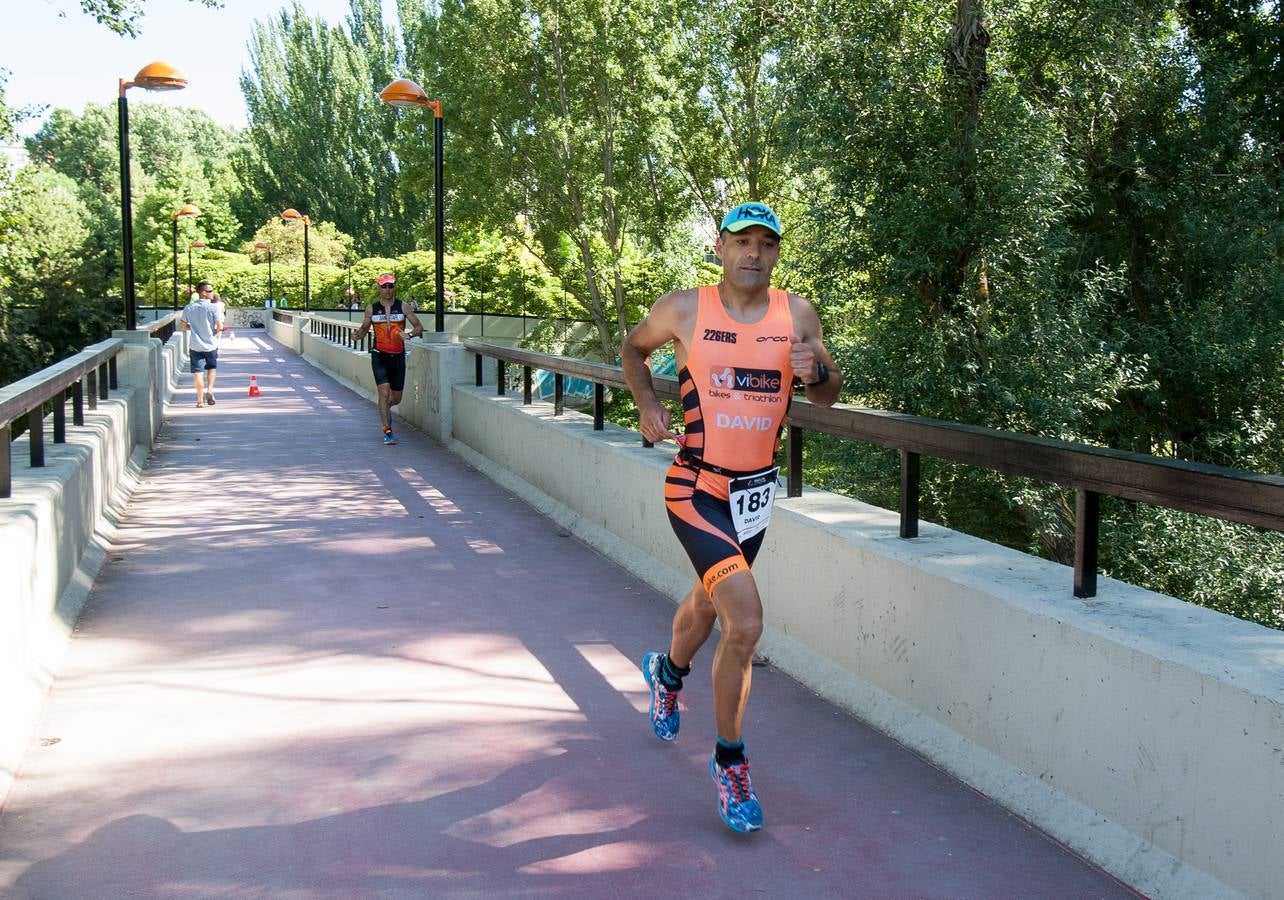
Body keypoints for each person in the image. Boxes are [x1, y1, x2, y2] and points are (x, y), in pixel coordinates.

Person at [619, 202, 842, 833]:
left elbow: (827, 392)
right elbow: (633, 351)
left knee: (713, 602)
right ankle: (729, 763)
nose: (753, 253)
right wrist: (645, 404)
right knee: (745, 622)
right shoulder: (685, 309)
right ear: (719, 247)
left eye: (765, 244)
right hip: (694, 487)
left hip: (754, 495)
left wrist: (817, 368)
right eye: (741, 241)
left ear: (776, 253)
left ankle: (667, 671)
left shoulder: (796, 314)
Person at [353, 273, 423, 445]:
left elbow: (419, 327)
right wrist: (357, 336)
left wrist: (410, 334)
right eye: (384, 286)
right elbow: (363, 330)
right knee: (384, 393)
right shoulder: (371, 309)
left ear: (395, 287)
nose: (387, 289)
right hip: (380, 355)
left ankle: (384, 410)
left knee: (396, 398)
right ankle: (387, 430)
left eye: (390, 286)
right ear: (378, 288)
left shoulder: (403, 307)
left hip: (398, 356)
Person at [180, 280, 224, 407]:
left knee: (198, 372)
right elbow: (219, 326)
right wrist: (214, 331)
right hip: (211, 344)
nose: (212, 293)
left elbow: (183, 326)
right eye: (210, 291)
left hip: (195, 345)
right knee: (211, 368)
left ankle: (199, 401)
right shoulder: (214, 307)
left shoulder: (189, 308)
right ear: (203, 293)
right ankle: (210, 390)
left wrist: (193, 328)